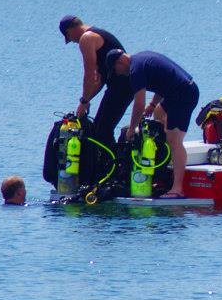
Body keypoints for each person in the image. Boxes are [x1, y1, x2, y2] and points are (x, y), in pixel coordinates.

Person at [107, 49, 200, 199]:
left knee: (174, 140)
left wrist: (132, 129)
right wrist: (152, 104)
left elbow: (138, 103)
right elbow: (164, 81)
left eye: (116, 70)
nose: (119, 74)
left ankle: (177, 189)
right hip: (175, 92)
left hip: (184, 94)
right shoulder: (140, 60)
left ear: (120, 61)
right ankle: (163, 168)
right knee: (158, 114)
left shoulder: (135, 70)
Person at [59, 15, 132, 145]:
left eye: (69, 37)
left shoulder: (86, 39)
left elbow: (89, 74)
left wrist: (84, 101)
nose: (73, 41)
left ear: (69, 31)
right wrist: (86, 100)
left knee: (102, 130)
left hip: (122, 87)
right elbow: (99, 80)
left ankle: (113, 157)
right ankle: (112, 155)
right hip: (123, 87)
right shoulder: (96, 34)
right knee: (99, 129)